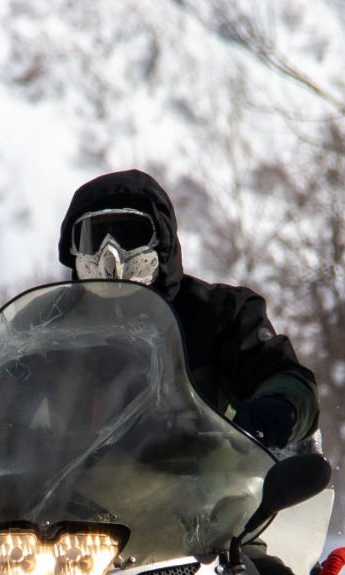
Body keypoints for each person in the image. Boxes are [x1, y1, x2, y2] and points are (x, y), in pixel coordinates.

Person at [58, 170, 317, 451]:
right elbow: (7, 392)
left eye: (131, 235)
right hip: (67, 491)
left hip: (208, 485)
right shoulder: (46, 331)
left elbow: (278, 373)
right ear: (73, 252)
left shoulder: (219, 315)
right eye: (92, 240)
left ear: (162, 238)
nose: (111, 255)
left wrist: (279, 403)